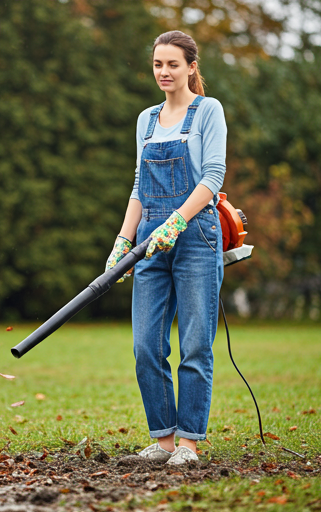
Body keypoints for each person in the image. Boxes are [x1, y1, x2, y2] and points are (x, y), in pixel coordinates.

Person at [105, 31, 226, 465]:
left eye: (173, 64)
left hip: (196, 238)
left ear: (191, 67)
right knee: (146, 346)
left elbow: (213, 178)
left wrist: (178, 220)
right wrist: (123, 239)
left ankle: (189, 444)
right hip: (149, 242)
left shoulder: (207, 110)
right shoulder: (147, 119)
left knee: (195, 344)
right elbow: (140, 185)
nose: (164, 72)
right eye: (158, 64)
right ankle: (163, 440)